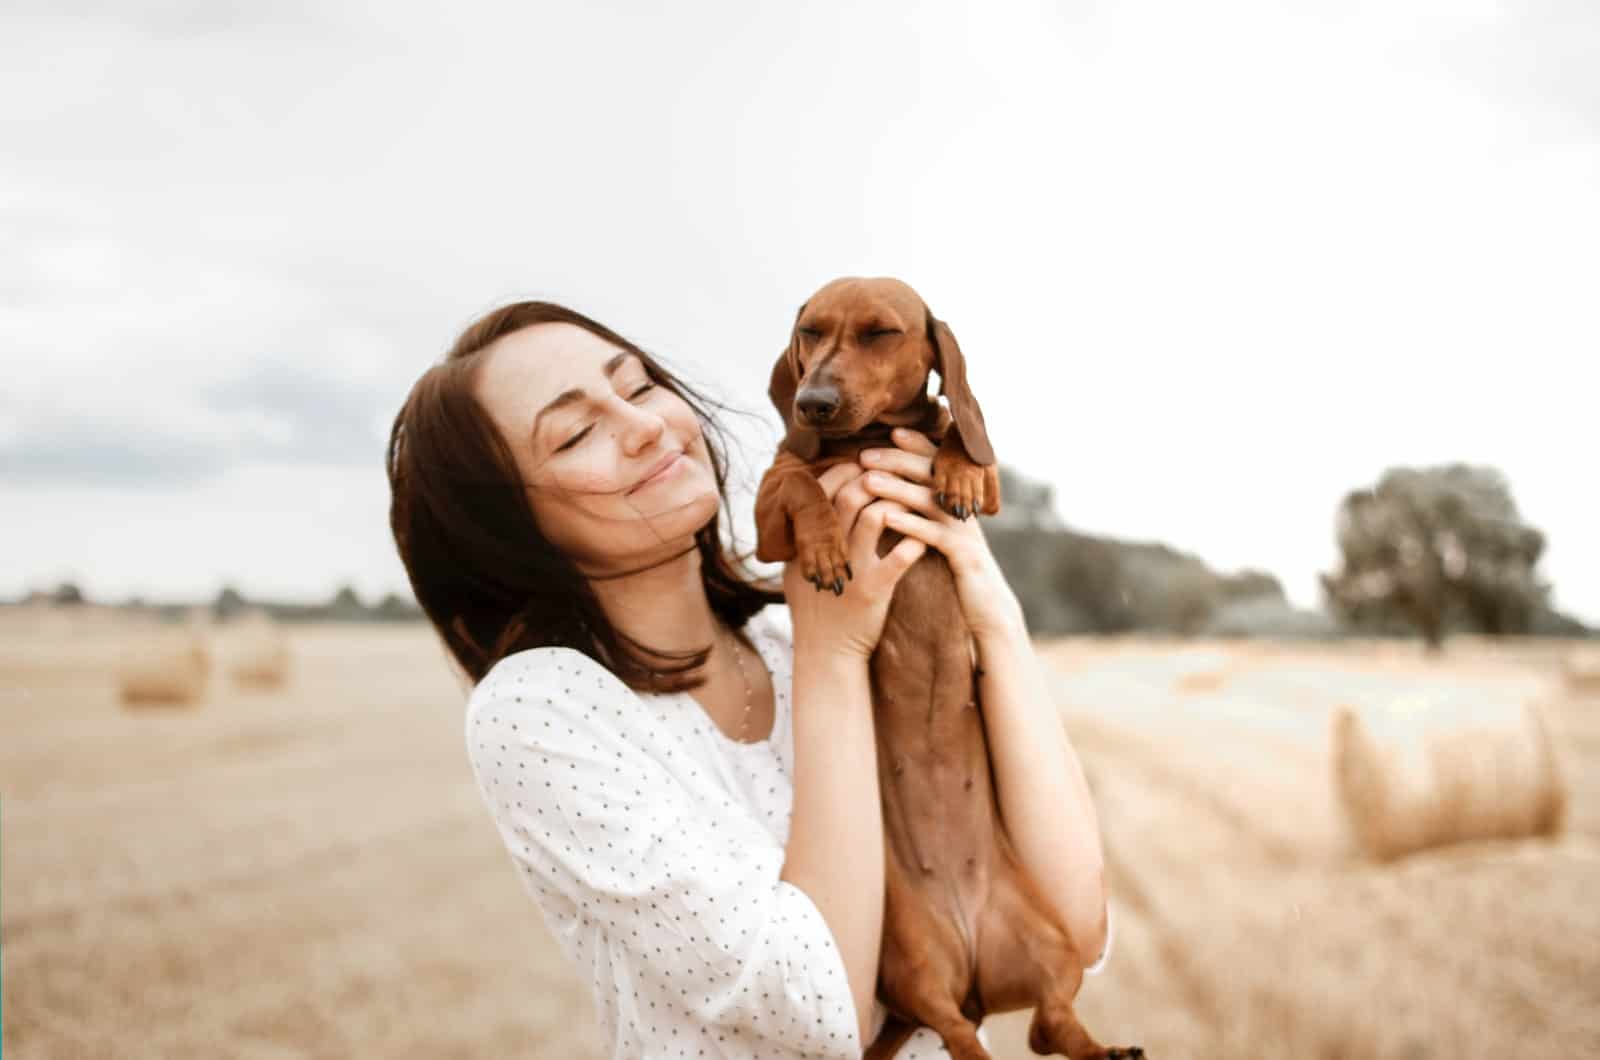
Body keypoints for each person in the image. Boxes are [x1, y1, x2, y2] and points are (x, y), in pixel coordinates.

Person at [385, 301, 1113, 1059]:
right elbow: (822, 1014)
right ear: (505, 525)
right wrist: (833, 659)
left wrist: (990, 606)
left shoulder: (784, 636)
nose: (645, 428)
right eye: (574, 434)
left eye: (637, 388)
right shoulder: (541, 709)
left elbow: (1078, 925)